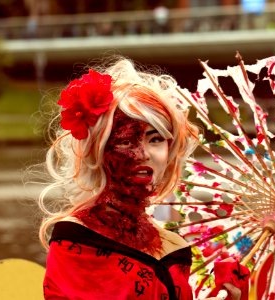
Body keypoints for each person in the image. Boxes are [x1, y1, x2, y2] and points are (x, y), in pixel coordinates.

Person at [38, 57, 249, 299]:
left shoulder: (173, 245)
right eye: (127, 141)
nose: (143, 153)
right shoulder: (76, 241)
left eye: (156, 139)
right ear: (99, 149)